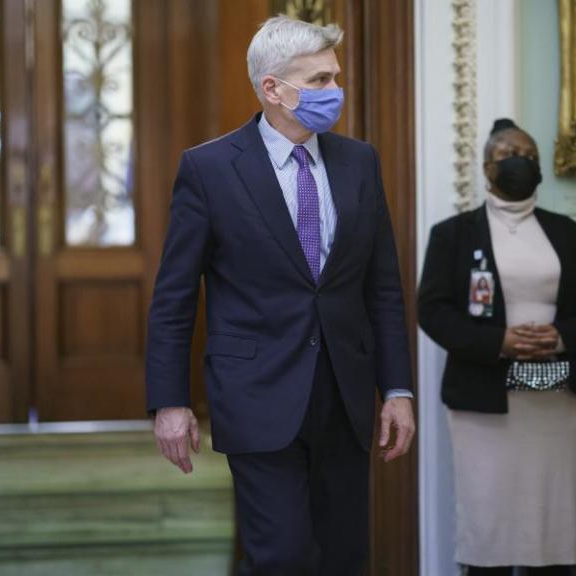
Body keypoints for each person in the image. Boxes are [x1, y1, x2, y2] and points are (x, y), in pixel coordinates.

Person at [146, 15, 415, 575]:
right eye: (318, 81)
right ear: (272, 89)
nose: (334, 91)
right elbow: (175, 298)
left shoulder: (359, 162)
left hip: (344, 395)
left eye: (335, 77)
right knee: (283, 557)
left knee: (344, 558)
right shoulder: (210, 169)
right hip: (256, 394)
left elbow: (382, 288)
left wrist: (397, 388)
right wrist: (170, 401)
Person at [418, 119, 576, 576]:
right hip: (484, 401)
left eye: (529, 156)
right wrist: (499, 341)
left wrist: (562, 335)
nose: (520, 162)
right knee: (489, 523)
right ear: (488, 166)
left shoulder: (567, 233)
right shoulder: (454, 235)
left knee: (550, 528)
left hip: (556, 400)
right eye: (509, 153)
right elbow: (432, 310)